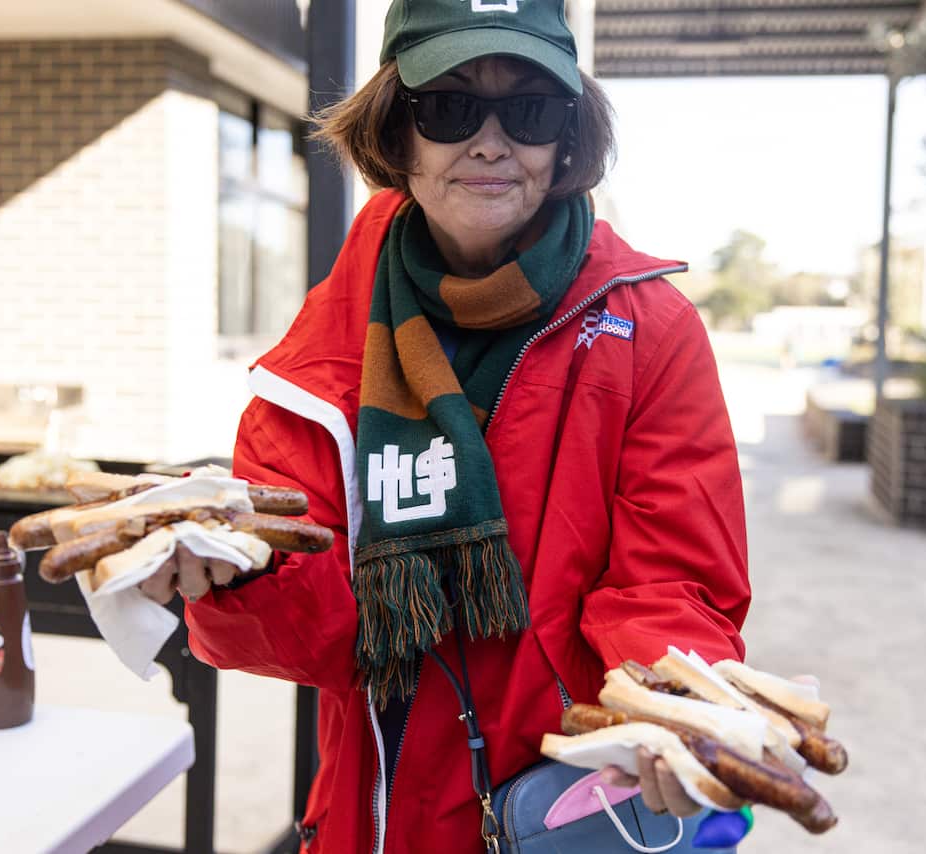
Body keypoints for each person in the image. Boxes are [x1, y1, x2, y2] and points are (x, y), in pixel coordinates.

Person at [141, 2, 750, 850]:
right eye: (450, 107)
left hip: (570, 798)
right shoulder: (322, 350)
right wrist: (237, 572)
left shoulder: (649, 328)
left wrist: (673, 702)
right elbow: (310, 635)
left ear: (567, 137)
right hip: (376, 807)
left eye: (530, 110)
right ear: (397, 131)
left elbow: (674, 584)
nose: (491, 143)